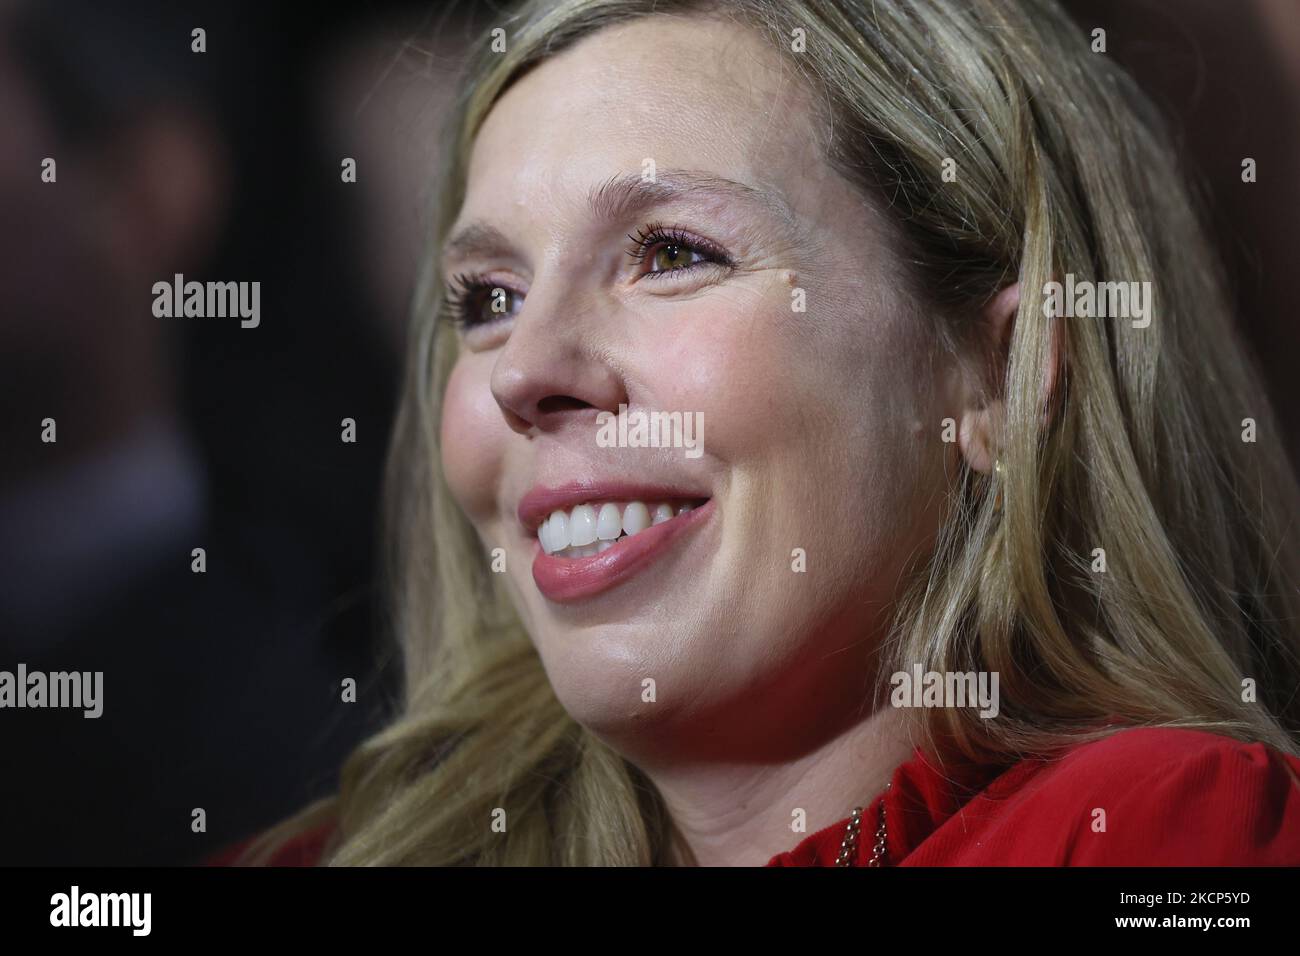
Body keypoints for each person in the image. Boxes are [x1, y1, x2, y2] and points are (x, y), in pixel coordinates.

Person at [215, 0, 1300, 866]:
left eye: (672, 252)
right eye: (487, 297)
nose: (528, 373)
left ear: (995, 376)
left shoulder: (1164, 832)